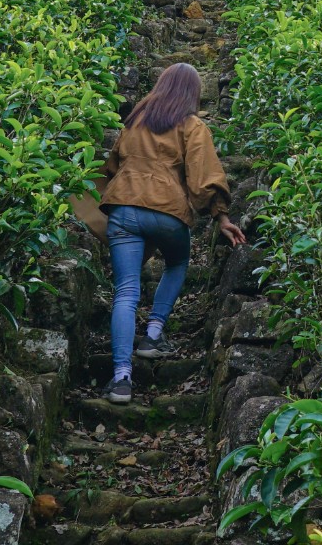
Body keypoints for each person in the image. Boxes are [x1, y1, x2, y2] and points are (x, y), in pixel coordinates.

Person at [98, 62, 245, 404]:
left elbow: (112, 166)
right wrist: (220, 215)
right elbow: (203, 174)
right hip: (168, 212)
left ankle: (121, 379)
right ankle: (153, 335)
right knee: (177, 263)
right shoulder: (191, 125)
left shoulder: (133, 122)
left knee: (126, 291)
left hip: (122, 208)